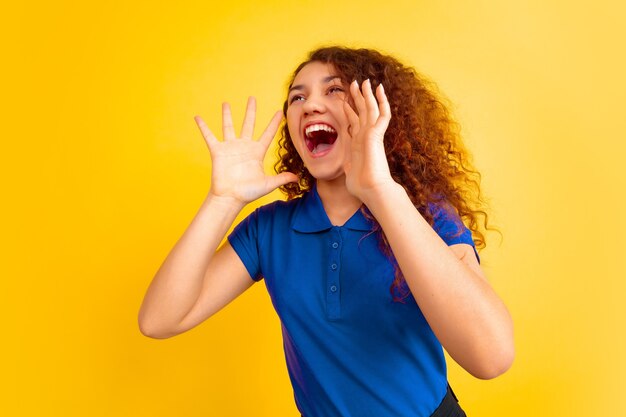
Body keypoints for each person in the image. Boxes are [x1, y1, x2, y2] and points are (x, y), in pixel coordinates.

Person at [138, 46, 514, 417]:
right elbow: (160, 320)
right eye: (297, 97)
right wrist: (222, 200)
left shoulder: (426, 215)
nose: (310, 105)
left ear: (374, 111)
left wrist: (380, 191)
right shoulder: (270, 229)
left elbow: (491, 358)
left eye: (333, 90)